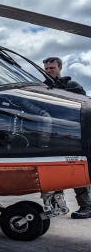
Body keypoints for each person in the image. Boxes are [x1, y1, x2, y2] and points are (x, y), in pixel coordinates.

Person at [43, 56, 91, 219]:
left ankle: (86, 206)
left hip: (72, 134)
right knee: (55, 170)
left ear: (60, 68)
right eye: (47, 68)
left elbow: (84, 107)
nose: (49, 71)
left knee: (75, 170)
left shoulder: (73, 86)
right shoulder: (42, 87)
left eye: (52, 68)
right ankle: (57, 205)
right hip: (52, 134)